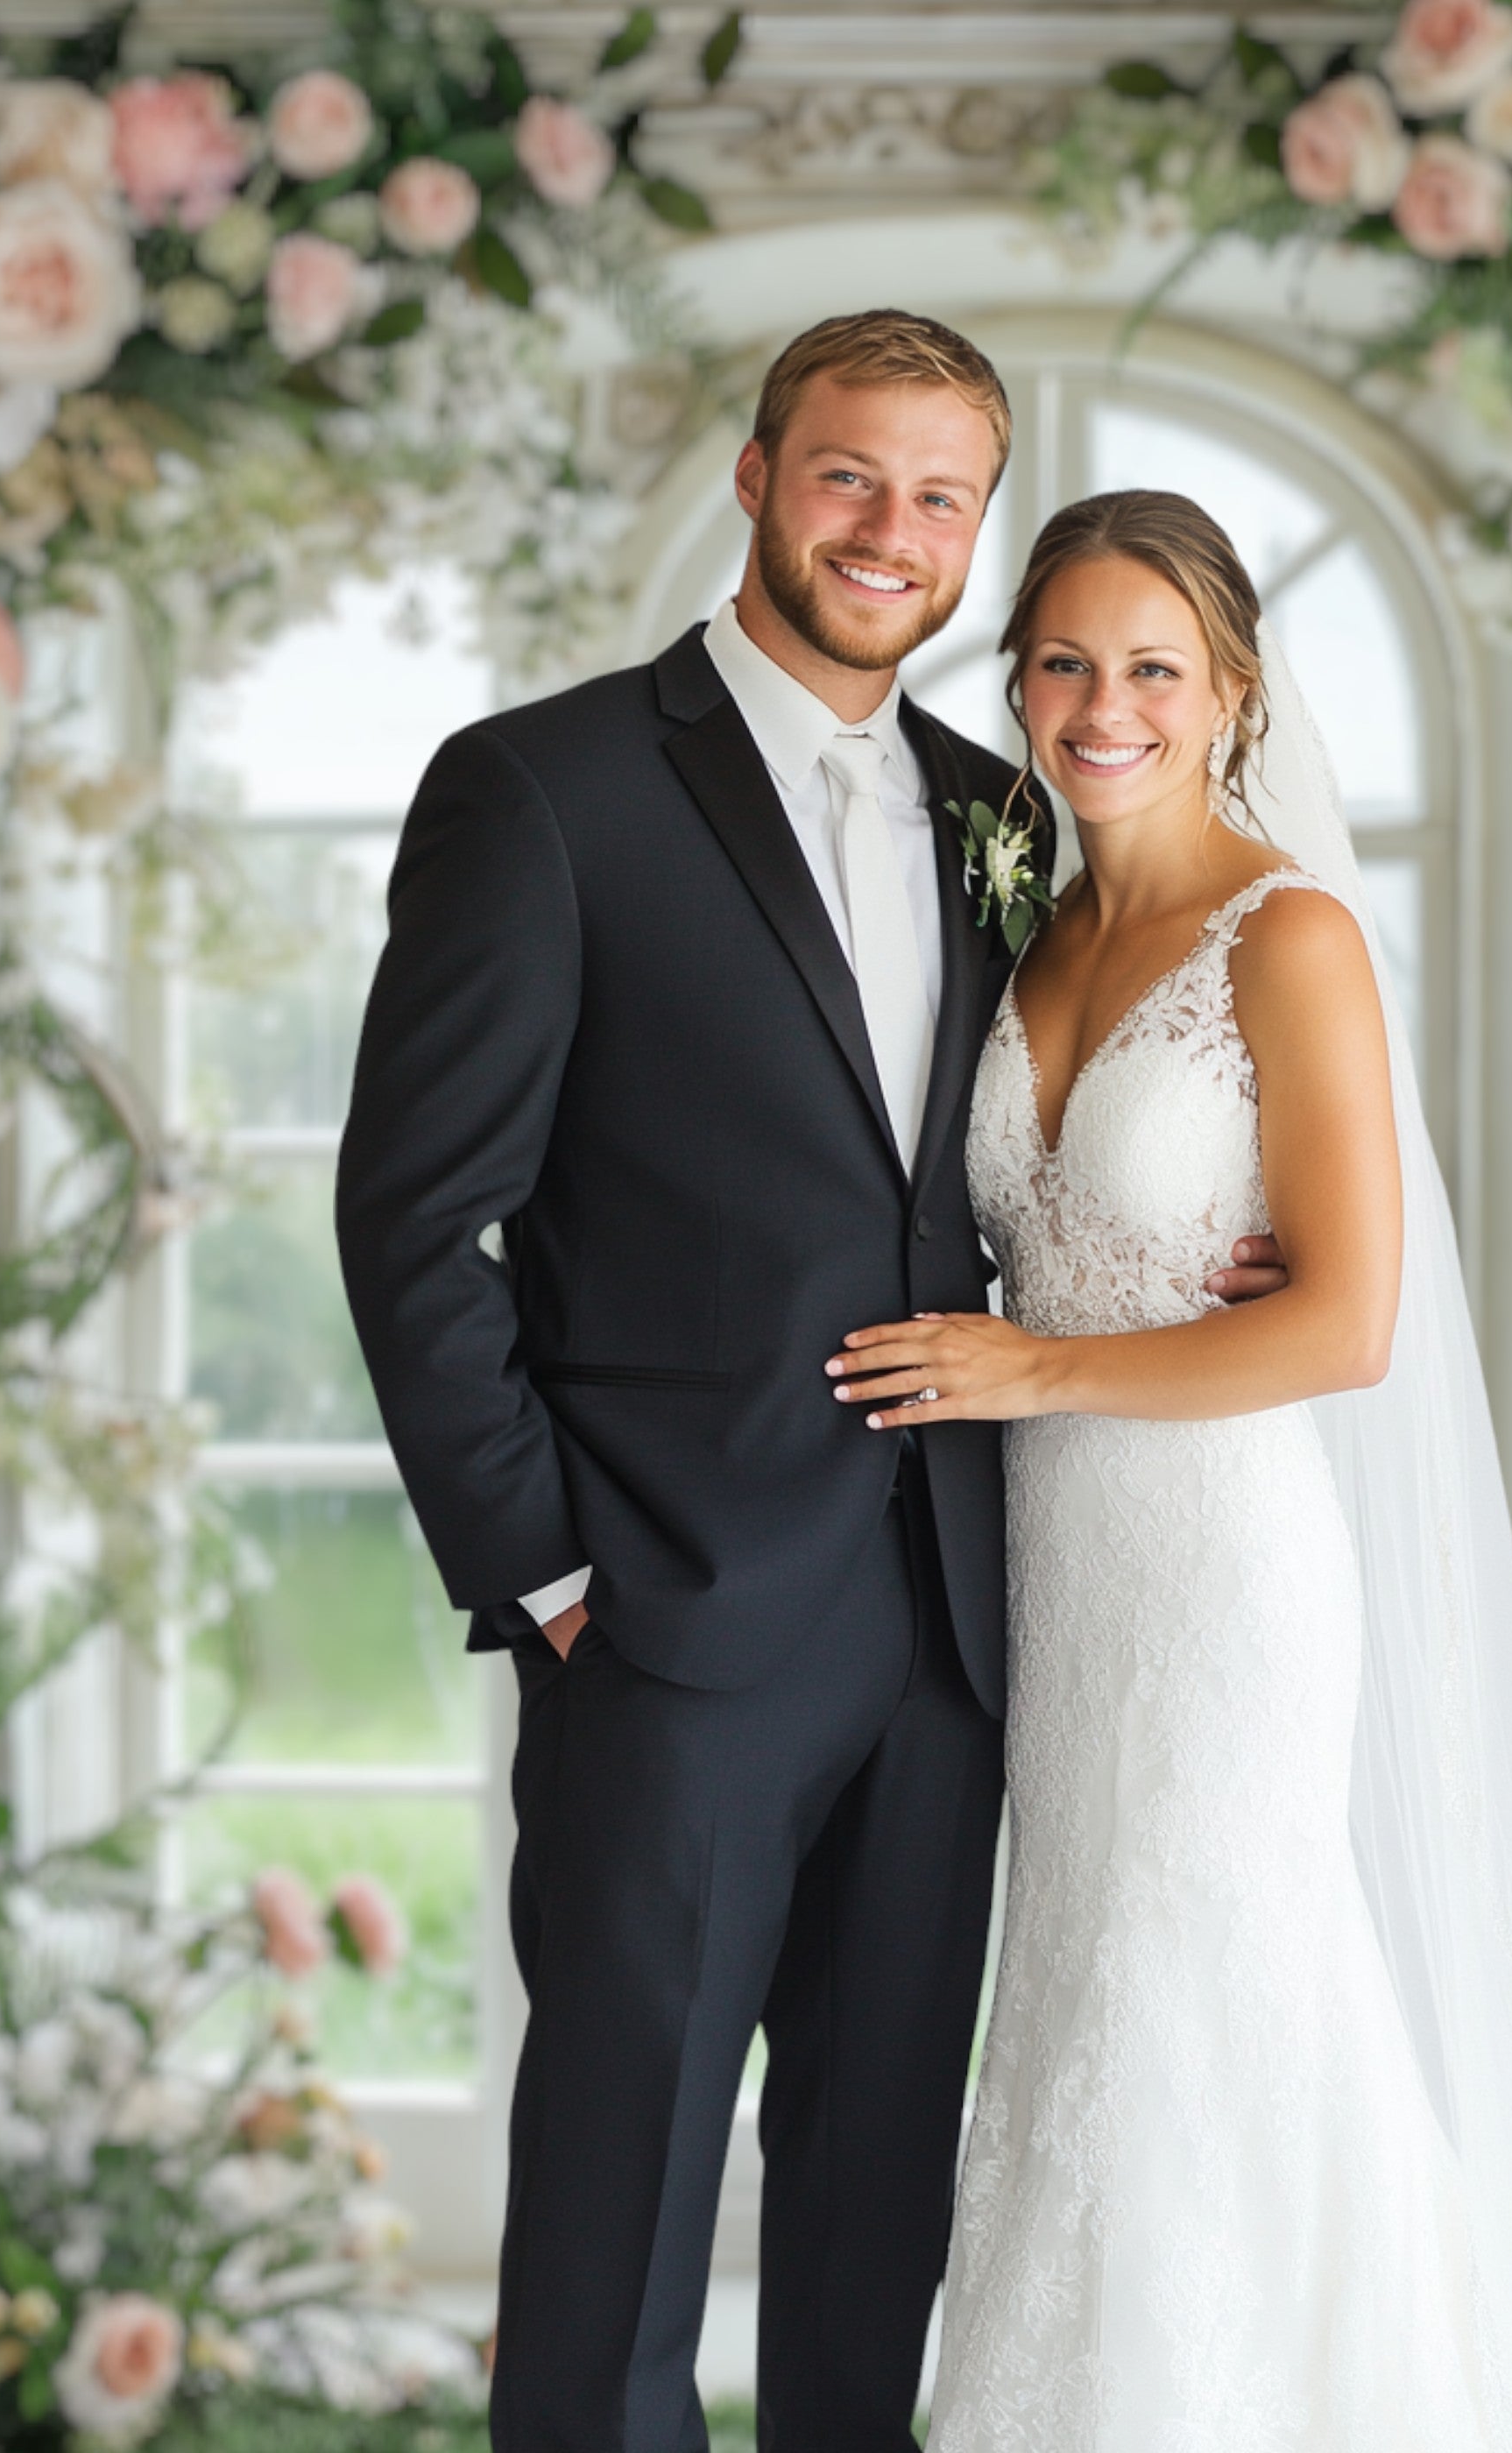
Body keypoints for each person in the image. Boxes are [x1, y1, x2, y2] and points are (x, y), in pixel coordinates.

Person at [333, 316, 1278, 2453]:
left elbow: (1026, 1163)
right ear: (758, 476)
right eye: (851, 477)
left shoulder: (994, 813)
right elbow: (411, 1218)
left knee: (874, 2233)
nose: (892, 532)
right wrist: (550, 1567)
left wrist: (1210, 1262)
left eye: (941, 497)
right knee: (615, 2238)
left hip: (955, 1624)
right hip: (663, 1617)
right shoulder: (542, 788)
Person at [830, 492, 1512, 2452]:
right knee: (1087, 2005)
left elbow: (1346, 1322)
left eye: (1152, 668)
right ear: (1016, 679)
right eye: (1065, 662)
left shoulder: (1292, 934)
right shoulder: (1024, 930)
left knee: (1208, 1998)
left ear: (1232, 692)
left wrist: (1042, 1361)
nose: (1103, 706)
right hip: (1057, 1575)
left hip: (1219, 1568)